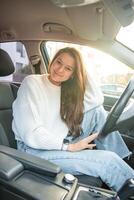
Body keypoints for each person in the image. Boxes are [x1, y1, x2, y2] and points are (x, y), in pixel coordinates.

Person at [12, 47, 134, 192]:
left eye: (68, 68)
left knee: (97, 112)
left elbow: (96, 100)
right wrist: (69, 147)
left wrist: (80, 70)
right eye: (58, 62)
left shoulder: (66, 87)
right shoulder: (31, 83)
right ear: (53, 60)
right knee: (108, 161)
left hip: (60, 139)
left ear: (73, 75)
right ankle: (123, 178)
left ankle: (123, 162)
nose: (60, 70)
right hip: (34, 150)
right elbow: (31, 133)